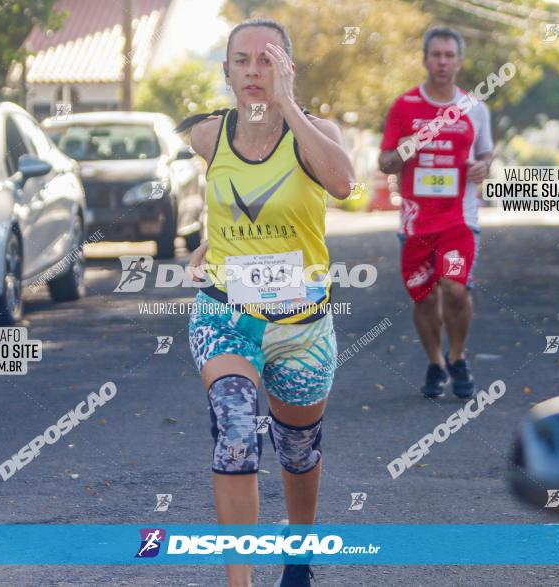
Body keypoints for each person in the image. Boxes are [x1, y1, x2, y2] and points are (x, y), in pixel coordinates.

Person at [175, 18, 354, 587]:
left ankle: (298, 553)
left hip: (303, 325)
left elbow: (344, 183)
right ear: (226, 71)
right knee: (234, 428)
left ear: (287, 68)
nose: (254, 71)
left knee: (298, 449)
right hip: (227, 314)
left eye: (267, 60)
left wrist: (290, 106)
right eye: (242, 60)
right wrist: (212, 239)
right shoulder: (207, 135)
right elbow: (225, 198)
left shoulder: (317, 132)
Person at [378, 27, 493, 399]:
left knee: (456, 290)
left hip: (460, 220)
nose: (442, 62)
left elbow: (487, 153)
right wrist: (402, 153)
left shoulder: (475, 108)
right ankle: (435, 363)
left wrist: (484, 166)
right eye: (436, 55)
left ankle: (457, 356)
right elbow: (385, 162)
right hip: (415, 223)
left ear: (459, 62)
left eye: (449, 55)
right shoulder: (404, 106)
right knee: (424, 297)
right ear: (425, 59)